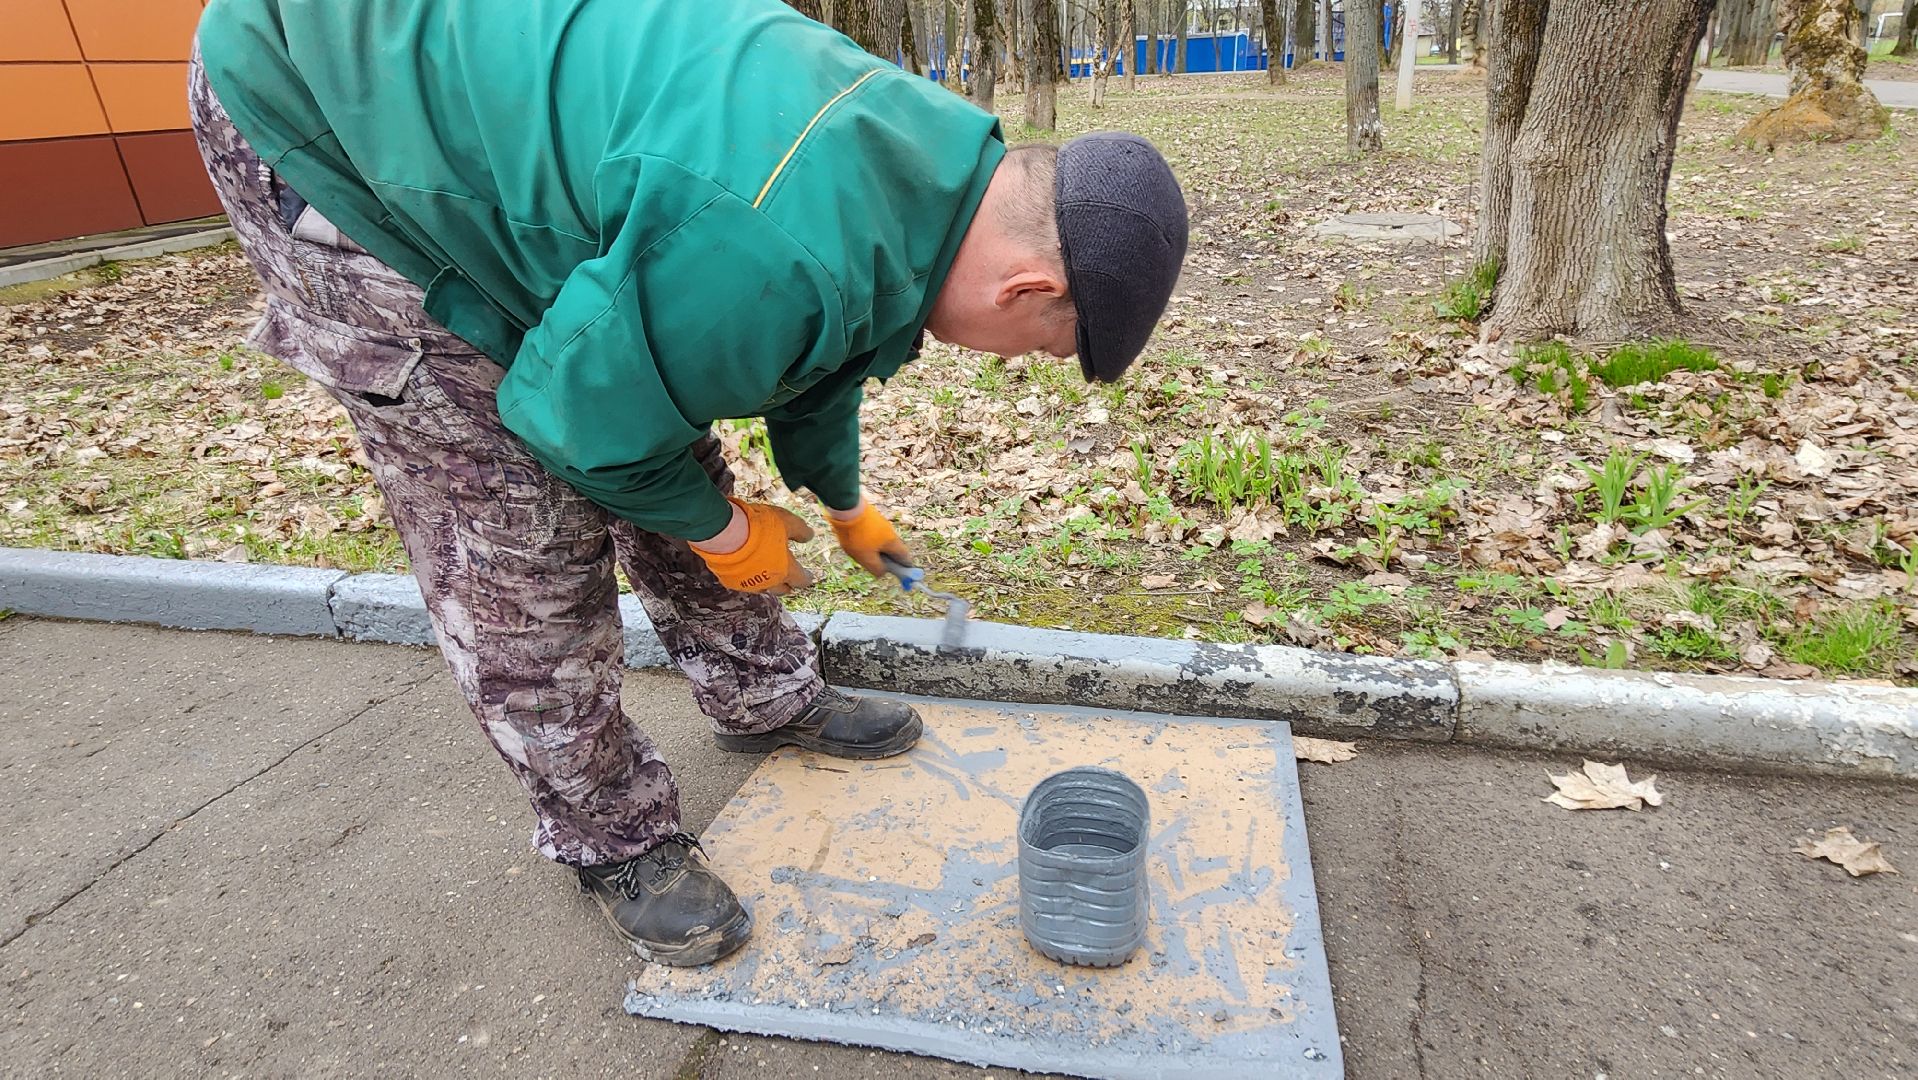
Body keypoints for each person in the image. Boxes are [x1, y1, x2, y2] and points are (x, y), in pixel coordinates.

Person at [190, 0, 1188, 967]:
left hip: (490, 105)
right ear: (1026, 290)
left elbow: (830, 334)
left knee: (654, 406)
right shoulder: (767, 239)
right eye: (1040, 348)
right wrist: (718, 532)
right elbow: (586, 423)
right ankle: (611, 835)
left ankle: (759, 693)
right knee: (512, 523)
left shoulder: (935, 166)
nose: (1016, 361)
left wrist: (840, 502)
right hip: (318, 95)